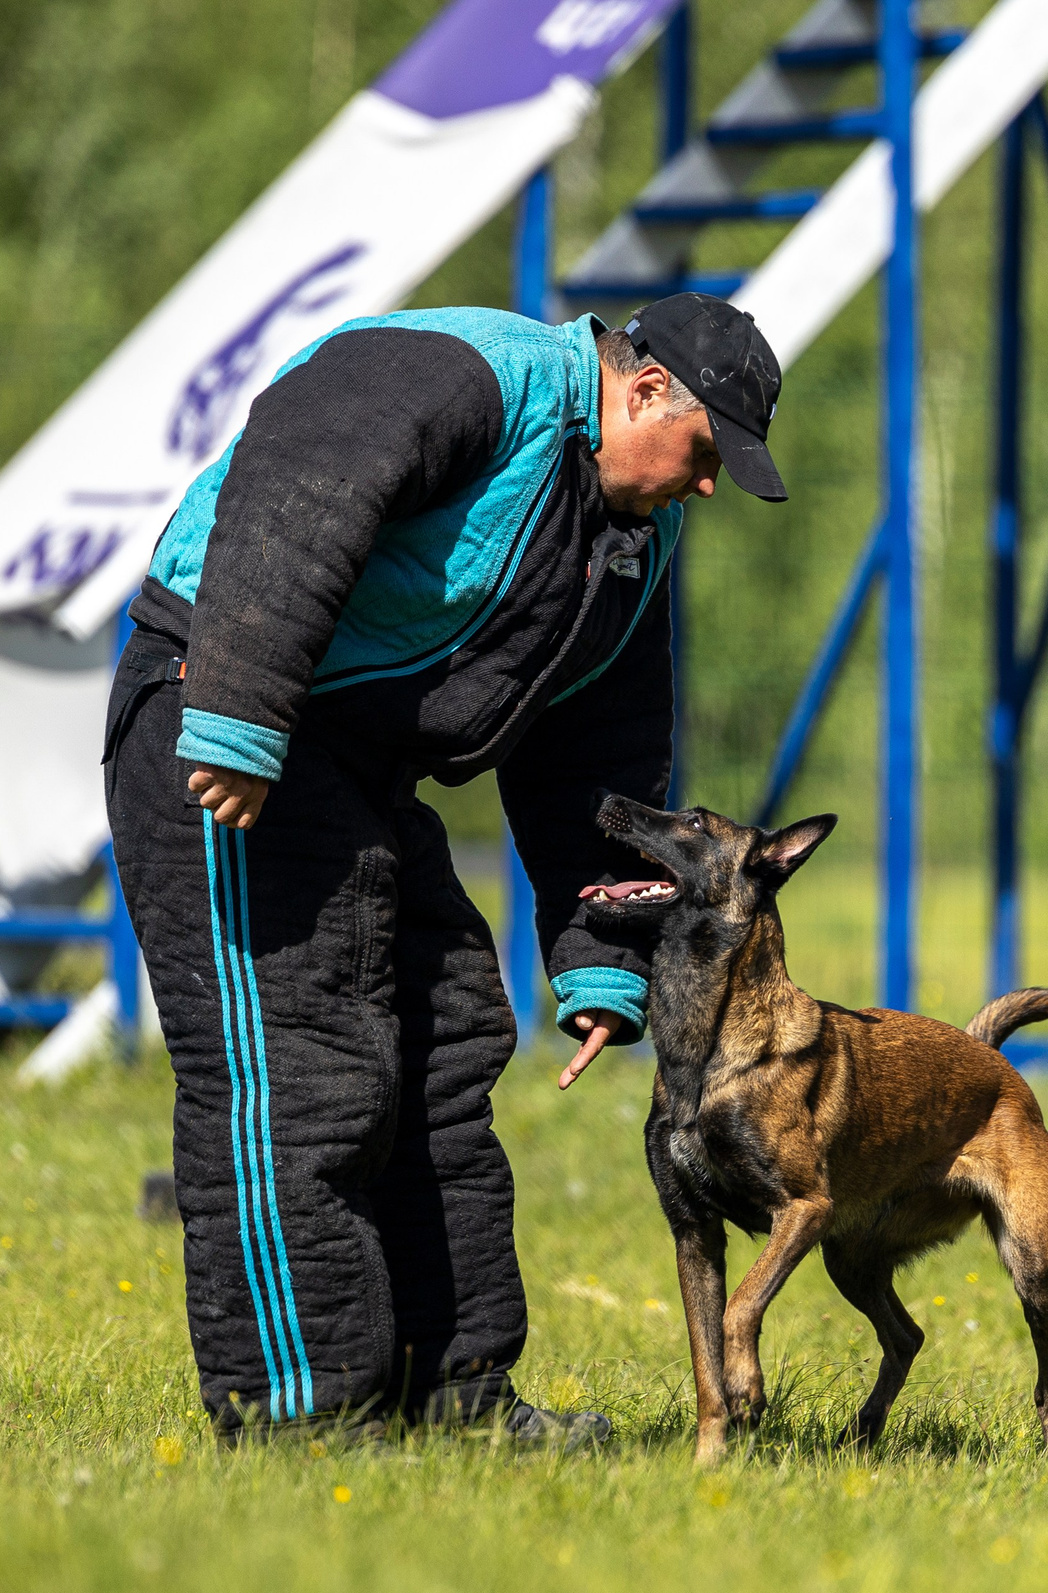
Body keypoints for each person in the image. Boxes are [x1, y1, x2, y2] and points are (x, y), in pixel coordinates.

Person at [102, 294, 787, 1442]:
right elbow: (301, 480)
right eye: (708, 451)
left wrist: (600, 960)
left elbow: (599, 757)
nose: (707, 485)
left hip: (352, 766)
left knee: (446, 1041)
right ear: (647, 386)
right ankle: (298, 1415)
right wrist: (238, 717)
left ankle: (453, 1396)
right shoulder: (469, 373)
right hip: (216, 723)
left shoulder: (631, 536)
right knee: (304, 1073)